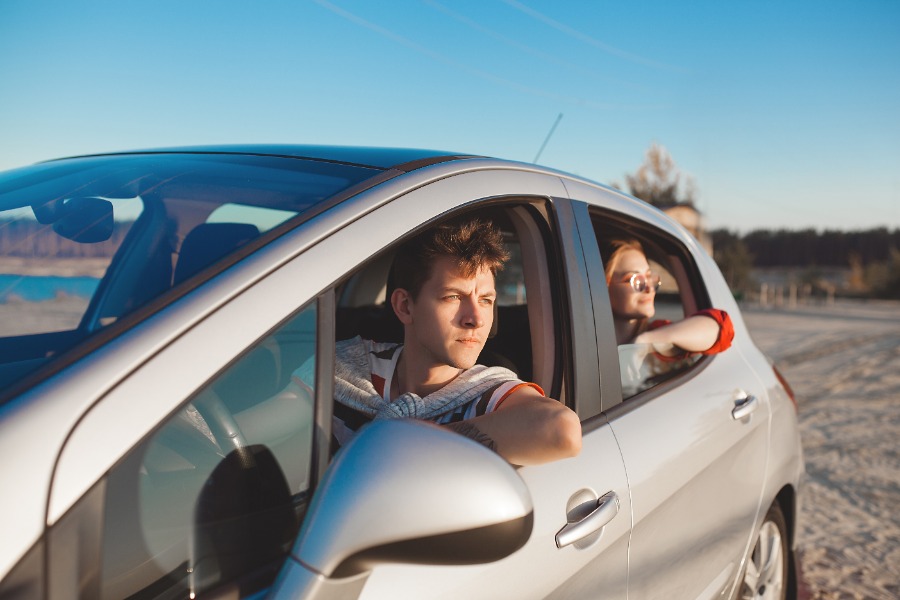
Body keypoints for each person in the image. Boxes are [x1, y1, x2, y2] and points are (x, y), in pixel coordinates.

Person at [293, 217, 582, 466]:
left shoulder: (484, 393)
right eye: (454, 297)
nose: (476, 319)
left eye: (486, 300)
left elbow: (561, 431)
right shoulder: (350, 367)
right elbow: (260, 428)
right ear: (405, 306)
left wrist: (416, 438)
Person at [603, 239, 734, 358]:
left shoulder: (658, 334)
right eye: (635, 280)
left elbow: (722, 328)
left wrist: (645, 342)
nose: (649, 288)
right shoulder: (585, 343)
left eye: (649, 277)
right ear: (603, 286)